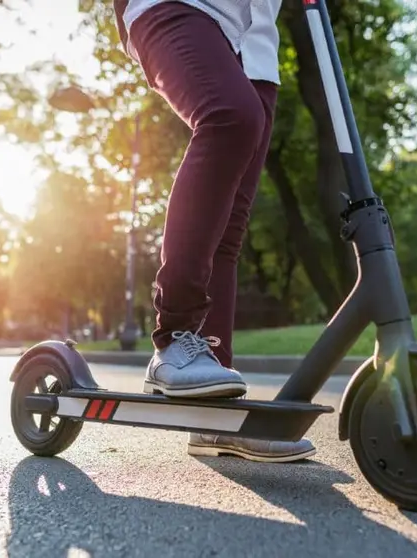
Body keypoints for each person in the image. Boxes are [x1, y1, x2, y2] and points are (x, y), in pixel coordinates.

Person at [113, 0, 316, 463]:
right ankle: (174, 335)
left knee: (230, 221)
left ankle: (214, 416)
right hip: (177, 5)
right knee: (231, 116)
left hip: (256, 39)